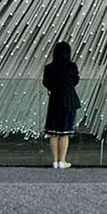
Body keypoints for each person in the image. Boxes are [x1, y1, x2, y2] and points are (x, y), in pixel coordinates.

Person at [42, 40, 81, 169]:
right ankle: (62, 160)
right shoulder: (72, 67)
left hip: (55, 101)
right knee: (64, 133)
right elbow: (75, 80)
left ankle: (54, 160)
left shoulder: (49, 68)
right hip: (69, 101)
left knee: (54, 133)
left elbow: (46, 83)